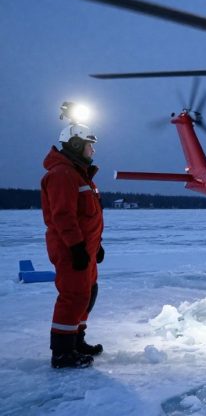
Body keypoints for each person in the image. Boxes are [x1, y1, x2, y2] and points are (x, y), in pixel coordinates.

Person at [41, 120, 105, 369]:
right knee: (73, 296)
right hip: (70, 248)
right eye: (90, 145)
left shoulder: (79, 174)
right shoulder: (62, 175)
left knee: (88, 293)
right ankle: (62, 352)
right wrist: (76, 247)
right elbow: (63, 216)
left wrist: (95, 245)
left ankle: (76, 339)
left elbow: (87, 216)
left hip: (85, 247)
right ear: (77, 144)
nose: (93, 150)